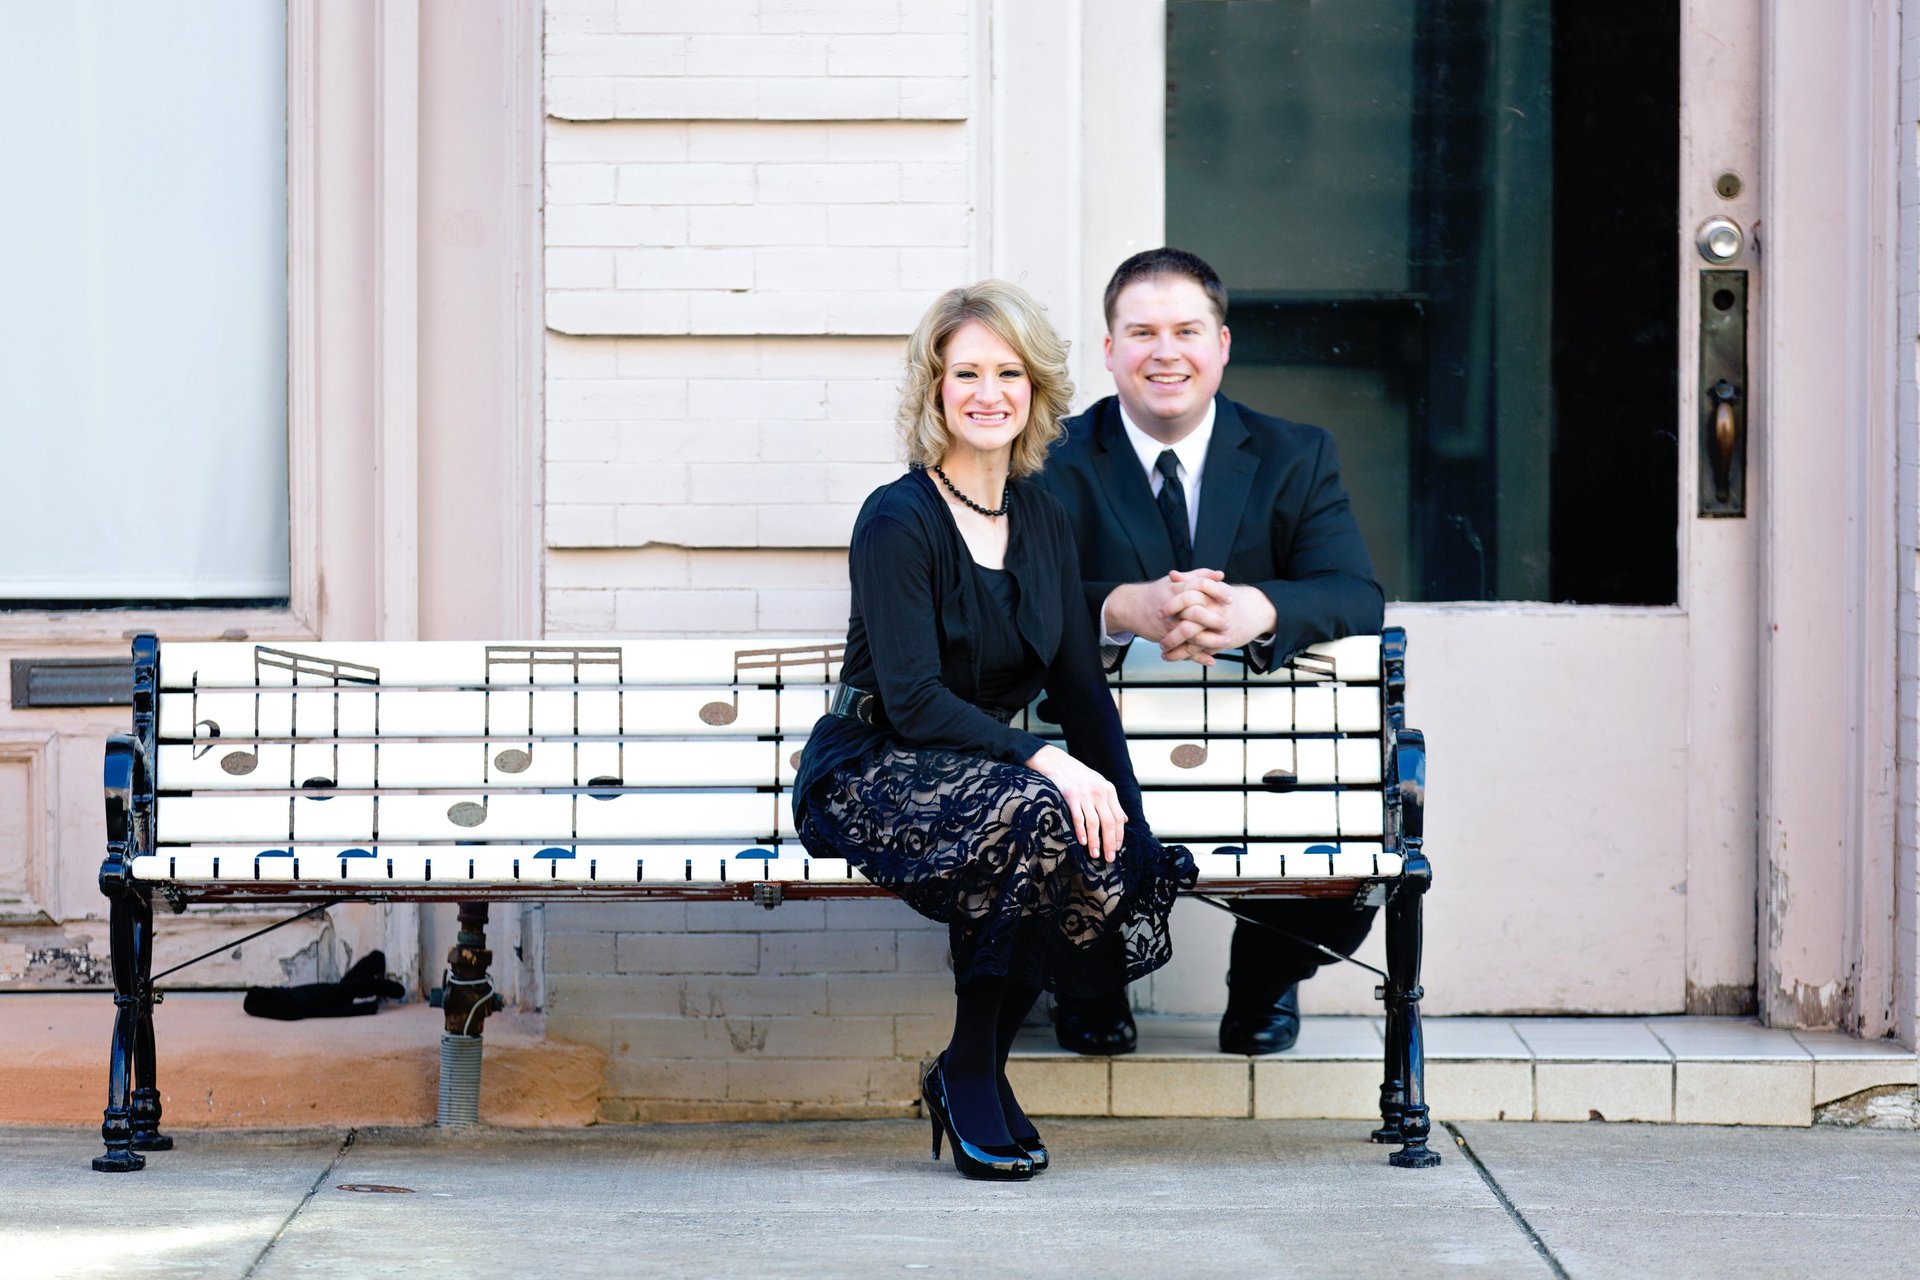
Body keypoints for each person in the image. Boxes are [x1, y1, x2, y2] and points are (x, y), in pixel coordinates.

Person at [793, 280, 1196, 1181]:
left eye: (1008, 373)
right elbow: (911, 701)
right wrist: (1047, 759)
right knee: (1033, 811)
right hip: (874, 767)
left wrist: (1126, 817)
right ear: (934, 390)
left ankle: (971, 1065)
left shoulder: (1044, 517)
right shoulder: (897, 520)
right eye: (965, 372)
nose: (988, 393)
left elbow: (1082, 689)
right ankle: (974, 1070)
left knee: (1070, 832)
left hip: (988, 779)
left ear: (1035, 390)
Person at [1033, 248, 1385, 1058]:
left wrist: (1257, 609)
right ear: (1110, 349)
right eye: (1142, 332)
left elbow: (1355, 593)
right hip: (1099, 753)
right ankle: (1088, 982)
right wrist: (1119, 607)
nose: (1167, 352)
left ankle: (1262, 983)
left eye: (1187, 330)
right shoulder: (1050, 460)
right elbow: (1005, 599)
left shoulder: (1297, 454)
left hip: (1261, 753)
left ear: (1222, 344)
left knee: (1353, 810)